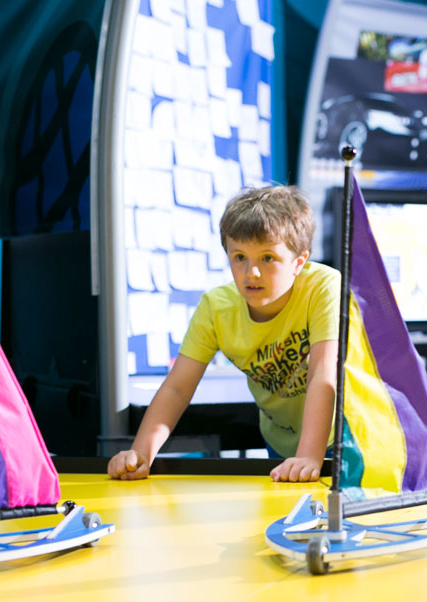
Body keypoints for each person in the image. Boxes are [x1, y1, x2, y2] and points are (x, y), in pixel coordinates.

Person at [107, 186, 341, 483]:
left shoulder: (323, 286)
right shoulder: (216, 308)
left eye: (267, 258)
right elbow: (176, 389)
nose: (251, 272)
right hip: (282, 443)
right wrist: (140, 454)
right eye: (240, 256)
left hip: (344, 437)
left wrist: (309, 455)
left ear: (298, 262)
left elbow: (322, 373)